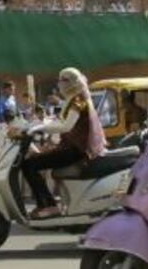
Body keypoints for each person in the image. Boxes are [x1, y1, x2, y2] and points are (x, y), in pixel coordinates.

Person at [14, 67, 107, 219]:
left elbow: (66, 126)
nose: (60, 83)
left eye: (64, 80)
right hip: (68, 146)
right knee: (30, 161)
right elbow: (59, 121)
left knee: (29, 164)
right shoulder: (71, 99)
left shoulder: (78, 100)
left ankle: (48, 205)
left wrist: (40, 128)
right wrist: (30, 126)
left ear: (73, 82)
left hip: (75, 149)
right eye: (60, 79)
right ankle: (46, 203)